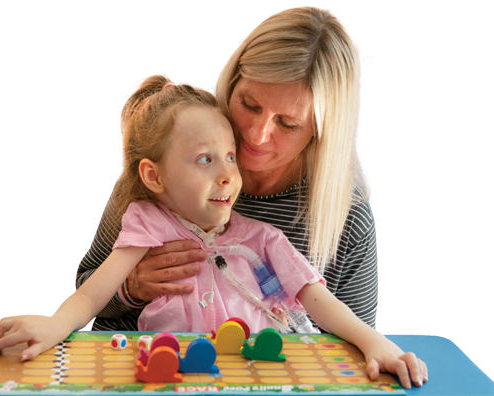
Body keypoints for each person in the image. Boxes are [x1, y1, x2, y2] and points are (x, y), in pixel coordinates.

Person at [0, 76, 426, 388]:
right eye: (205, 160)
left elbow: (321, 305)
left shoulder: (263, 241)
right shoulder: (145, 222)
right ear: (154, 176)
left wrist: (375, 343)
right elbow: (93, 293)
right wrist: (55, 324)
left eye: (230, 156)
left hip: (255, 378)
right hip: (167, 377)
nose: (229, 173)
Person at [78, 7, 377, 334]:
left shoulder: (347, 219)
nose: (256, 134)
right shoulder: (173, 162)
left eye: (287, 124)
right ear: (232, 84)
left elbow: (355, 351)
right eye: (250, 105)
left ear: (321, 130)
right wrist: (131, 287)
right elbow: (86, 288)